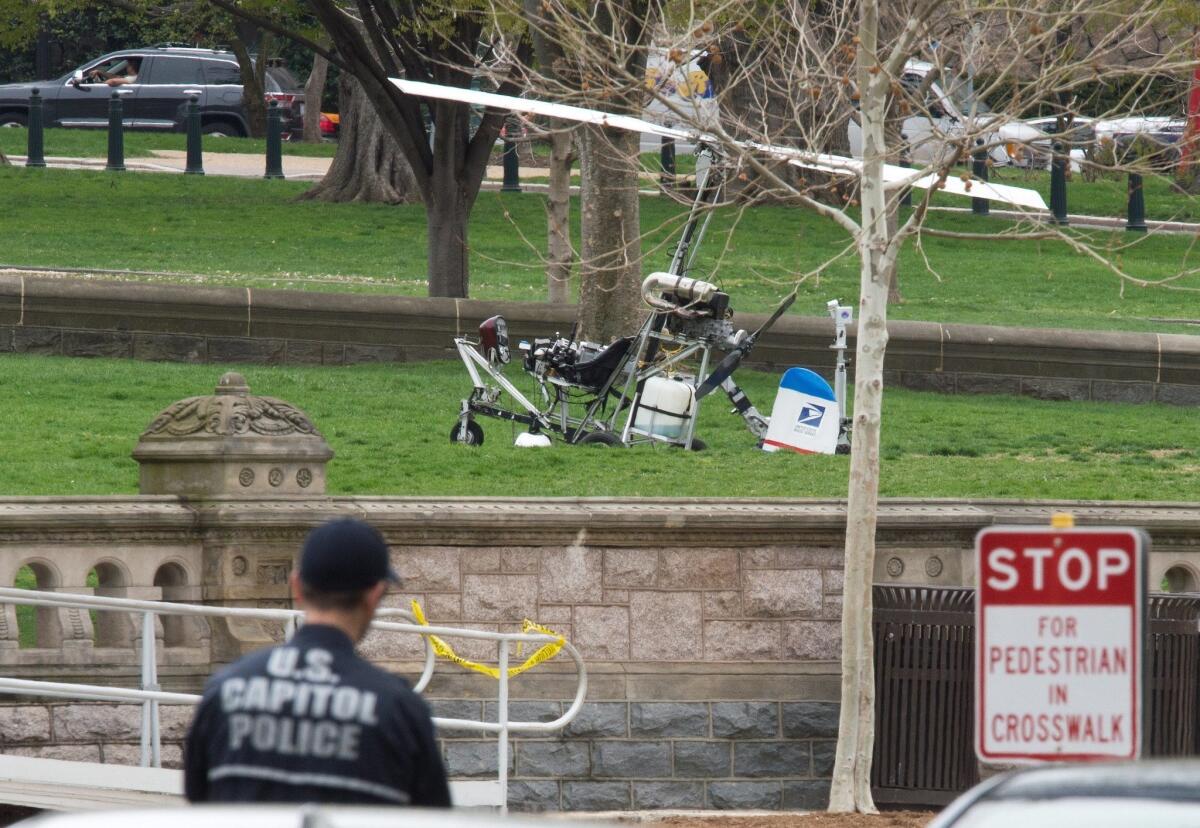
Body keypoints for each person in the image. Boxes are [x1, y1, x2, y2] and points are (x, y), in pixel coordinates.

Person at [184, 517, 451, 807]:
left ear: (297, 587)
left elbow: (199, 803)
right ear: (374, 595)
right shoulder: (400, 709)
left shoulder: (224, 691)